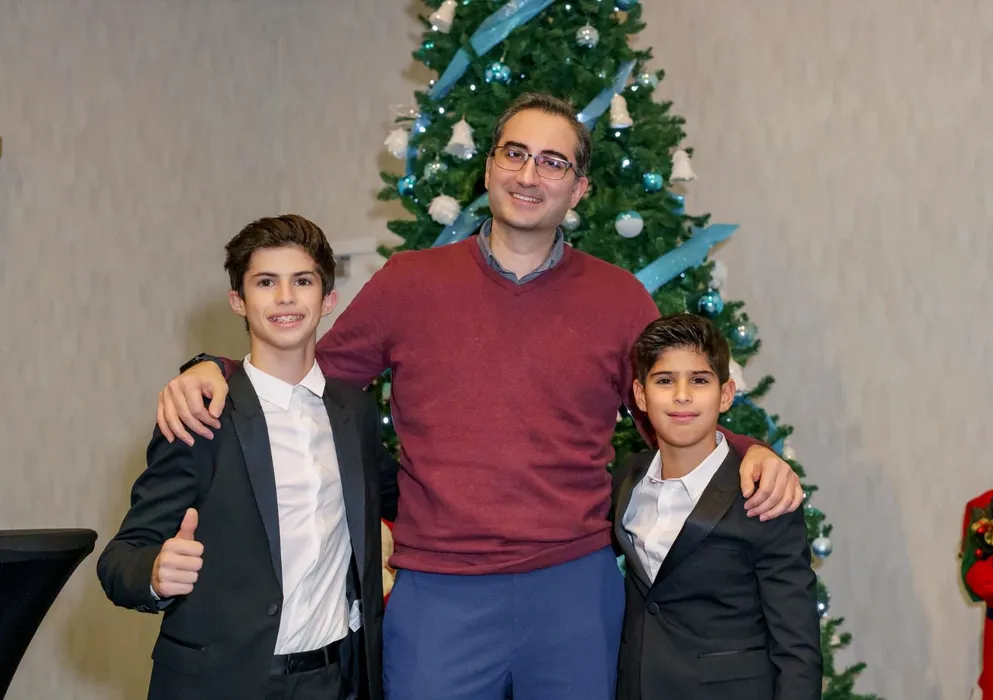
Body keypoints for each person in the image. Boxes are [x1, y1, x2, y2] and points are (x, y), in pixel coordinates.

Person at [154, 94, 805, 700]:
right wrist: (216, 369)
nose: (529, 175)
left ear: (579, 188)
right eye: (514, 154)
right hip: (439, 596)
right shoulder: (409, 283)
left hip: (573, 590)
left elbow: (673, 408)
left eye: (553, 162)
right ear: (489, 167)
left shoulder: (617, 299)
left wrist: (747, 451)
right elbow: (307, 375)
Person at [97, 215, 397, 700]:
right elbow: (120, 558)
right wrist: (153, 573)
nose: (285, 297)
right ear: (238, 300)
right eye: (265, 282)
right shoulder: (202, 414)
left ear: (328, 300)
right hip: (222, 681)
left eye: (303, 281)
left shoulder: (354, 413)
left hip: (333, 679)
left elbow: (407, 498)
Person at [613, 313, 821, 700]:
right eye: (664, 381)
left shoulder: (763, 494)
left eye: (699, 380)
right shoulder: (628, 479)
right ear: (640, 395)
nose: (682, 395)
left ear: (726, 394)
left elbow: (797, 648)